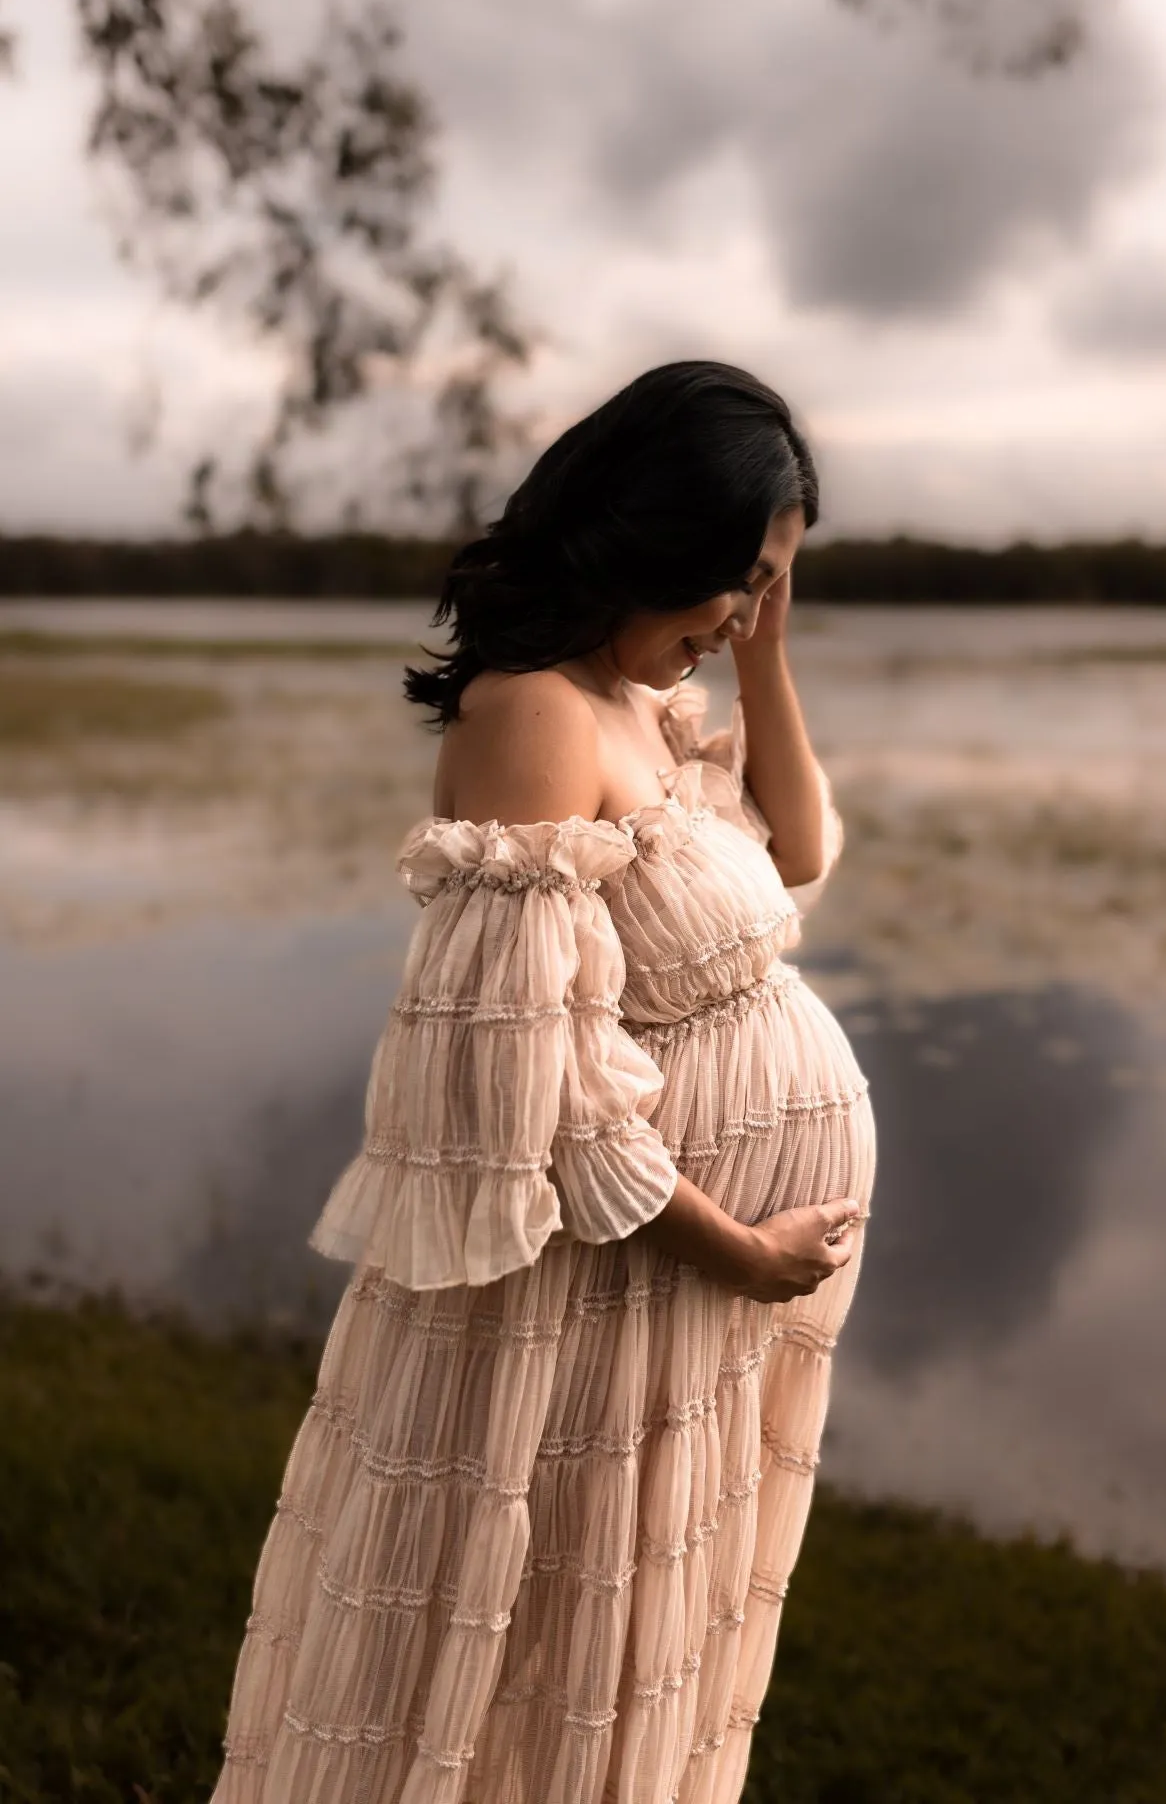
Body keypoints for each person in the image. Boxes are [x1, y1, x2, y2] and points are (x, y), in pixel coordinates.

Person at [211, 360, 876, 1803]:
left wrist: (763, 640)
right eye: (742, 577)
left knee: (635, 1637)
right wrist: (743, 1249)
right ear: (660, 534)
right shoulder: (534, 718)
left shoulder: (643, 708)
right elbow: (539, 1093)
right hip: (616, 1284)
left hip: (682, 1303)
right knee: (540, 1654)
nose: (745, 613)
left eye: (772, 585)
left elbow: (800, 848)